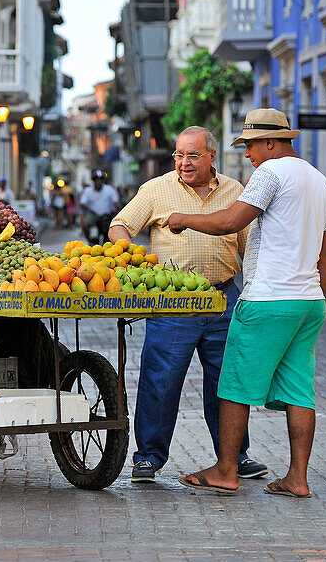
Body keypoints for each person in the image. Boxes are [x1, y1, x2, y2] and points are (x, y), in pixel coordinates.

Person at [167, 109, 326, 499]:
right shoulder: (321, 182)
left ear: (272, 143)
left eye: (251, 146)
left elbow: (231, 221)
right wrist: (317, 292)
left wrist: (184, 219)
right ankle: (297, 478)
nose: (248, 155)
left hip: (268, 299)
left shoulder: (271, 173)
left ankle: (226, 470)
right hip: (308, 302)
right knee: (298, 390)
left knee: (235, 385)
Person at [109, 126, 267, 484]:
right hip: (173, 302)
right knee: (160, 381)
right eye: (179, 155)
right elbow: (120, 226)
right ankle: (148, 457)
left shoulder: (235, 191)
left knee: (227, 383)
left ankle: (235, 457)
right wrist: (131, 259)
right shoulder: (156, 189)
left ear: (212, 156)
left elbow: (248, 246)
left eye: (192, 155)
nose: (183, 162)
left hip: (221, 298)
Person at [78, 170, 120, 244]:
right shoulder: (88, 190)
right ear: (93, 181)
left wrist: (118, 209)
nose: (98, 182)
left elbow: (116, 201)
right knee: (86, 224)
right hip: (93, 214)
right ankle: (90, 241)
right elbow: (82, 203)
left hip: (107, 215)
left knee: (115, 226)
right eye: (96, 180)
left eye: (100, 180)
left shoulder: (109, 189)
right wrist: (88, 208)